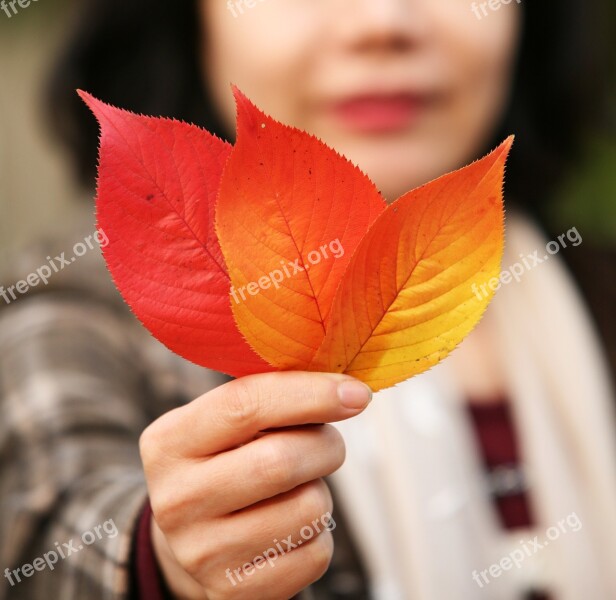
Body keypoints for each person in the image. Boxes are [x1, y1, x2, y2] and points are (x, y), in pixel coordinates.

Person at [1, 1, 615, 599]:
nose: (383, 22)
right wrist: (164, 561)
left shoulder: (594, 287)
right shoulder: (72, 310)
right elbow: (48, 526)